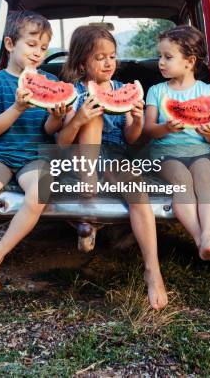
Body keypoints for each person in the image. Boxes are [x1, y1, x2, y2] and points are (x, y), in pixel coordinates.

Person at [58, 25, 168, 310]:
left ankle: (152, 270)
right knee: (93, 116)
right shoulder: (73, 92)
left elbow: (131, 139)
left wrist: (138, 119)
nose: (108, 63)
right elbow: (61, 142)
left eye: (112, 56)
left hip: (115, 156)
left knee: (138, 193)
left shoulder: (122, 90)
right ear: (82, 62)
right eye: (100, 57)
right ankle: (88, 186)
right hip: (78, 159)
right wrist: (79, 119)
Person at [0, 11, 68, 297]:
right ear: (10, 44)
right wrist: (18, 107)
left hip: (35, 155)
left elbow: (49, 129)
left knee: (39, 195)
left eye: (43, 48)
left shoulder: (49, 80)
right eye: (32, 45)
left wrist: (57, 116)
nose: (38, 53)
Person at [143, 25, 210, 261]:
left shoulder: (208, 92)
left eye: (168, 57)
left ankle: (208, 236)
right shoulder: (156, 91)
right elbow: (149, 130)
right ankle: (200, 239)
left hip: (199, 152)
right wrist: (166, 127)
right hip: (165, 154)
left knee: (204, 178)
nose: (161, 62)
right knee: (182, 180)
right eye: (160, 56)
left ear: (190, 61)